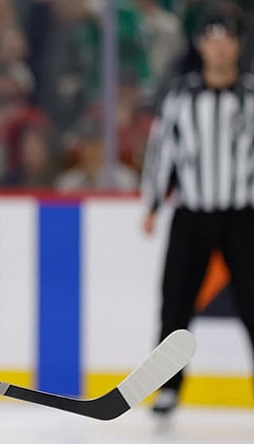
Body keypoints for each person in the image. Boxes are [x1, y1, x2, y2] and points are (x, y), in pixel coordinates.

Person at [140, 1, 254, 415]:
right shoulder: (180, 97)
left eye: (227, 39)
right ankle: (168, 388)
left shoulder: (251, 97)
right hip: (191, 213)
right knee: (175, 303)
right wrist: (153, 204)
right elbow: (162, 152)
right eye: (212, 39)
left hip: (243, 215)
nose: (219, 48)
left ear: (238, 45)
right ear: (200, 44)